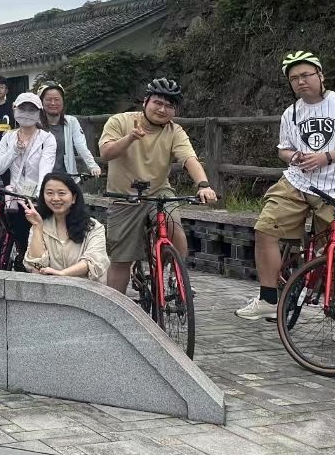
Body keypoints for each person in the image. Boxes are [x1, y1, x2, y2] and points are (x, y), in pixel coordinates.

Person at [236, 52, 335, 350]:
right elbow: (283, 149)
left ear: (320, 75)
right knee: (265, 228)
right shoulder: (291, 112)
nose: (300, 82)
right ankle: (268, 298)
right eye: (294, 79)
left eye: (306, 75)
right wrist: (294, 156)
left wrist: (328, 156)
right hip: (298, 182)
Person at [98, 78, 217, 294]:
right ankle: (113, 304)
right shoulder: (120, 121)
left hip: (158, 191)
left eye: (169, 106)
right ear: (145, 102)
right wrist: (130, 138)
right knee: (121, 259)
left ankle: (177, 277)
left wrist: (203, 185)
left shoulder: (174, 131)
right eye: (158, 103)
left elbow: (189, 158)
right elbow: (106, 153)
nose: (162, 109)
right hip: (124, 195)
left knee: (174, 226)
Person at [0, 91, 58, 261]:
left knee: (37, 237)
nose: (27, 114)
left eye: (32, 110)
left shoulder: (47, 139)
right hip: (14, 197)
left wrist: (40, 195)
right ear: (15, 110)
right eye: (23, 109)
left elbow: (46, 168)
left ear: (39, 113)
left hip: (35, 197)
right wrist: (15, 150)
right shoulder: (8, 137)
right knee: (17, 234)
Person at [23, 172, 108, 282]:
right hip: (50, 287)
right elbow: (35, 265)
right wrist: (37, 226)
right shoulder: (40, 225)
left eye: (61, 193)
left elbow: (94, 261)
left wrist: (63, 274)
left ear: (73, 197)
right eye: (49, 193)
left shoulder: (93, 227)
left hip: (86, 288)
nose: (55, 198)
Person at [37, 81, 101, 179]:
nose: (53, 103)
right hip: (41, 179)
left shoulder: (71, 121)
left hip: (66, 178)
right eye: (48, 99)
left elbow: (81, 145)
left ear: (63, 101)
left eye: (57, 99)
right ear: (41, 102)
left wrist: (92, 165)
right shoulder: (35, 124)